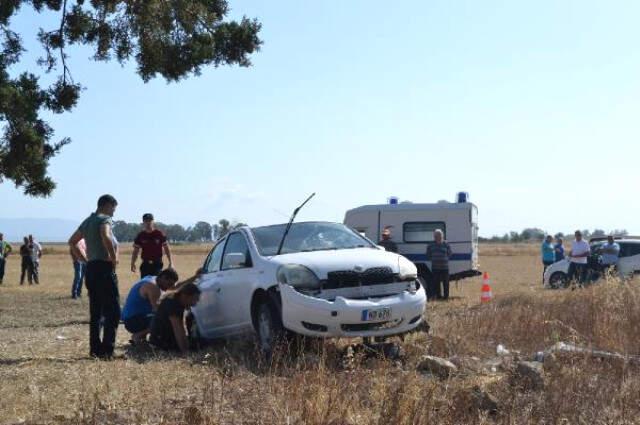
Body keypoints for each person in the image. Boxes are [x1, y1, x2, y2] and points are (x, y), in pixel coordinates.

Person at [68, 194, 120, 359]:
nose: (113, 212)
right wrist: (113, 257)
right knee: (113, 311)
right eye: (113, 208)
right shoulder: (104, 219)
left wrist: (85, 260)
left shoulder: (88, 221)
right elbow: (105, 235)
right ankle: (107, 351)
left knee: (96, 311)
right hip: (104, 269)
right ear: (106, 205)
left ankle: (95, 350)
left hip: (91, 269)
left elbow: (72, 241)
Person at [122, 269, 180, 344]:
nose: (169, 288)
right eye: (169, 284)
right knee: (166, 319)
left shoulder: (152, 278)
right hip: (132, 322)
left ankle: (143, 336)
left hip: (131, 318)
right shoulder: (153, 287)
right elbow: (158, 311)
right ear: (164, 278)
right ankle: (138, 335)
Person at [149, 282, 201, 355]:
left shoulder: (178, 302)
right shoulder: (172, 304)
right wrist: (185, 351)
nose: (195, 303)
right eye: (194, 299)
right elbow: (177, 329)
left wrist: (187, 343)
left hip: (164, 336)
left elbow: (182, 327)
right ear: (185, 296)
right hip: (160, 340)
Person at [131, 213, 173, 278]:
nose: (148, 223)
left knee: (156, 283)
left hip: (157, 264)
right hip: (145, 264)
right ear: (143, 222)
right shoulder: (141, 235)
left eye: (150, 220)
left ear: (153, 221)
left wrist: (171, 262)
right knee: (144, 284)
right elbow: (135, 251)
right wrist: (133, 263)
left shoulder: (159, 234)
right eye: (146, 221)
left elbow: (166, 248)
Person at [426, 229, 452, 300]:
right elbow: (428, 255)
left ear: (442, 236)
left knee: (446, 283)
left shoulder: (446, 244)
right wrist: (434, 259)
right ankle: (438, 296)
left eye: (439, 235)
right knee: (436, 283)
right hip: (435, 267)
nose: (438, 237)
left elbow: (450, 254)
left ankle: (446, 297)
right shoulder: (430, 245)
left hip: (445, 267)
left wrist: (445, 259)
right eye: (436, 235)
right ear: (434, 236)